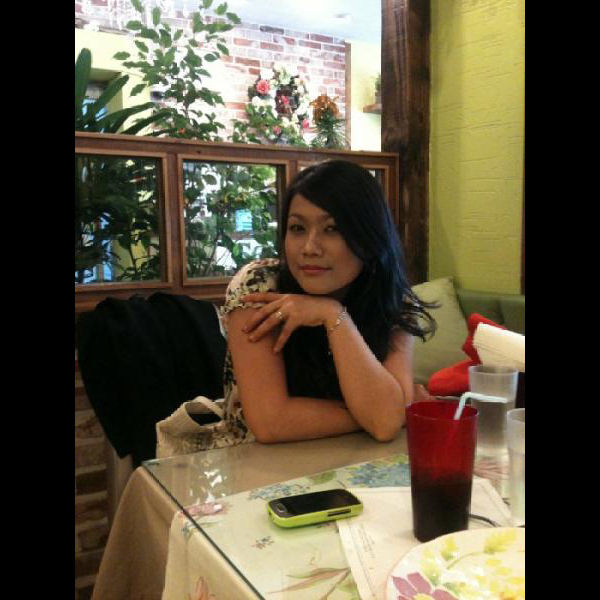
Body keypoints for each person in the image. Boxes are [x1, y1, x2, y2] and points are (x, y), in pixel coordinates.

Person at [217, 159, 436, 447]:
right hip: (249, 462)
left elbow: (384, 426)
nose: (309, 248)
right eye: (297, 228)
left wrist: (332, 315)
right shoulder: (259, 286)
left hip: (350, 457)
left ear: (369, 238)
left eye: (332, 229)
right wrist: (388, 412)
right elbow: (270, 423)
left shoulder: (391, 299)